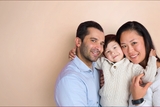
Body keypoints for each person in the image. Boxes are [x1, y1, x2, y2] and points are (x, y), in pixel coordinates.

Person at [69, 34, 157, 106]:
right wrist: (76, 52)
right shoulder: (104, 62)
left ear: (122, 48)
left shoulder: (132, 67)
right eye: (108, 52)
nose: (112, 53)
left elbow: (148, 78)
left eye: (115, 47)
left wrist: (152, 59)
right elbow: (88, 60)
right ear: (104, 55)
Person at [54, 20, 105, 106]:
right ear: (78, 42)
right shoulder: (70, 79)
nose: (99, 48)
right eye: (93, 40)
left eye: (101, 43)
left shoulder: (97, 67)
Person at [115, 21, 160, 106]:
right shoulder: (131, 70)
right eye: (124, 46)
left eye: (134, 43)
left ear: (146, 40)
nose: (130, 51)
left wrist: (138, 100)